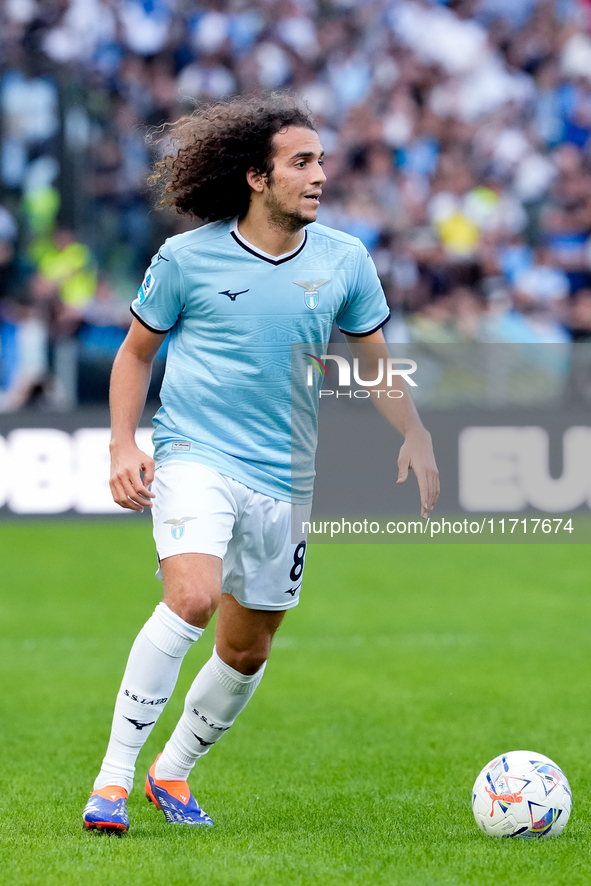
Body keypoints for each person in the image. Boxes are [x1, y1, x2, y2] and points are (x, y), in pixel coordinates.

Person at [82, 94, 439, 834]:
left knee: (246, 649)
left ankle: (170, 772)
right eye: (301, 162)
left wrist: (414, 432)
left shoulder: (345, 259)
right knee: (191, 599)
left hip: (286, 477)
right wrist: (124, 444)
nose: (319, 176)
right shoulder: (186, 258)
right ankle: (111, 783)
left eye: (321, 162)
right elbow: (134, 354)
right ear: (255, 176)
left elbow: (374, 367)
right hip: (195, 455)